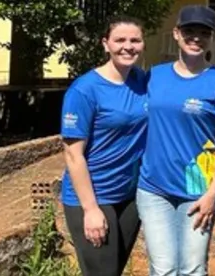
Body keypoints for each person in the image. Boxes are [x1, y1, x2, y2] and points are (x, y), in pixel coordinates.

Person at [136, 5, 215, 276]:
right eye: (189, 31)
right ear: (176, 34)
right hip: (153, 188)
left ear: (212, 37)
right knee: (162, 268)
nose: (196, 38)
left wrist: (213, 193)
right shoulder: (153, 76)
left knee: (193, 268)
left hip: (200, 190)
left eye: (203, 32)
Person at [60, 16, 149, 276]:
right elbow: (73, 154)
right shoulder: (85, 89)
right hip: (93, 196)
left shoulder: (142, 81)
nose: (128, 46)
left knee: (113, 270)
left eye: (135, 40)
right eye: (120, 40)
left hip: (129, 196)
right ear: (105, 44)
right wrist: (90, 209)